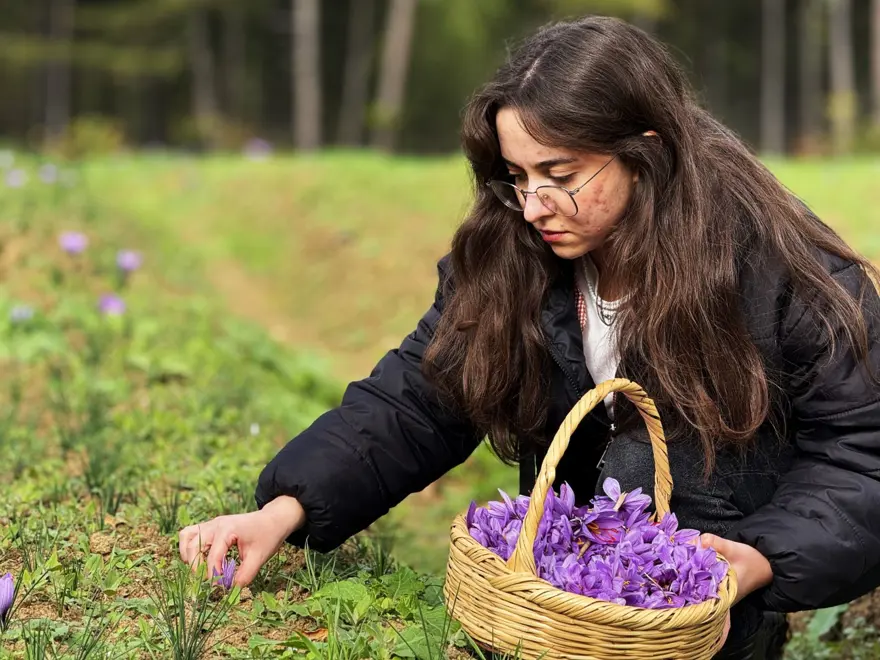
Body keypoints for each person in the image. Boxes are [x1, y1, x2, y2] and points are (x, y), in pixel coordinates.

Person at [178, 15, 880, 659]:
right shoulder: (515, 250)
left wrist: (757, 558)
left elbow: (862, 456)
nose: (534, 204)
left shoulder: (779, 269)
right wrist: (284, 508)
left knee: (635, 468)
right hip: (548, 616)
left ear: (647, 154)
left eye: (560, 175)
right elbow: (420, 397)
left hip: (713, 622)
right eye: (517, 177)